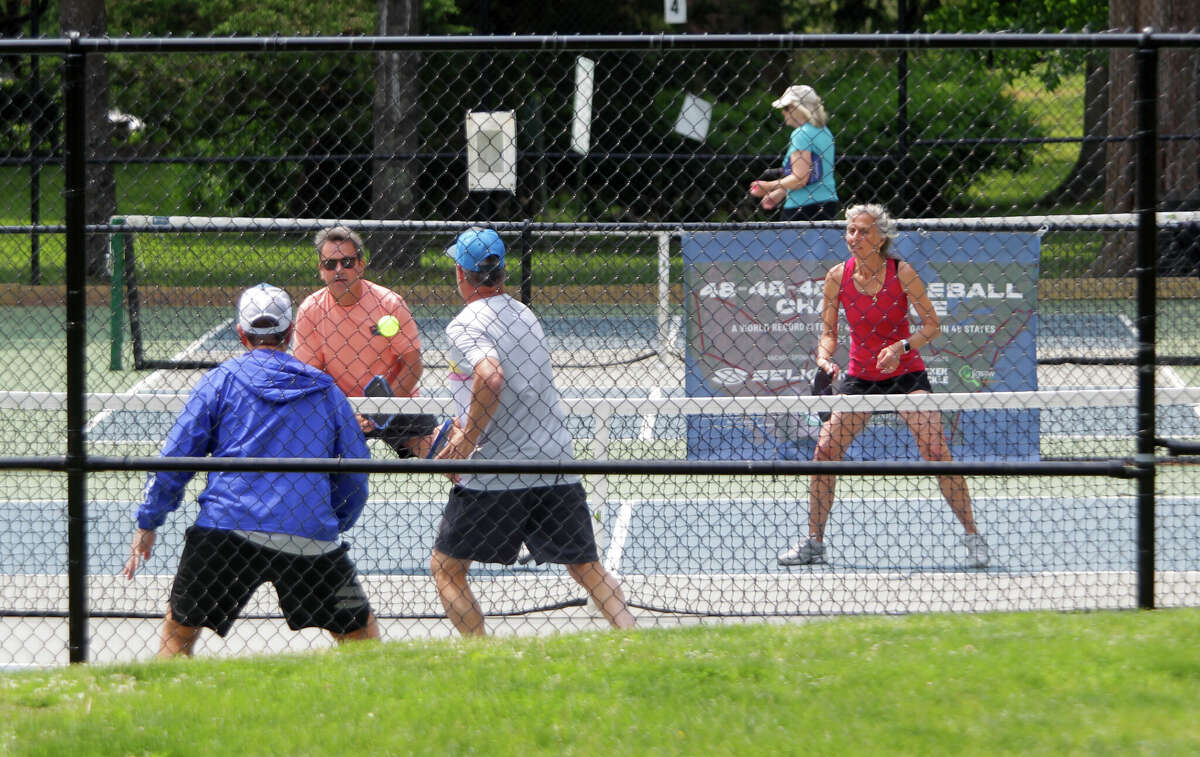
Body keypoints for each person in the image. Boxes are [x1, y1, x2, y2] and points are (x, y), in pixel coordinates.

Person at [123, 283, 379, 657]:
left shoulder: (220, 381)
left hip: (225, 532)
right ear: (290, 333)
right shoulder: (325, 390)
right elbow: (356, 473)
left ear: (241, 333)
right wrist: (331, 522)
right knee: (362, 640)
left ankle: (165, 705)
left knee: (177, 637)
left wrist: (148, 521)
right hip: (309, 537)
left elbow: (174, 458)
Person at [429, 227, 636, 636]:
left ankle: (479, 661)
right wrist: (464, 425)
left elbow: (490, 378)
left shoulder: (464, 325)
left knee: (447, 568)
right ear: (502, 272)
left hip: (496, 472)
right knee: (586, 568)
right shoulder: (526, 314)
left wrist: (467, 439)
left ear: (460, 273)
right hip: (553, 461)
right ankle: (633, 637)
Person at [777, 205, 990, 569]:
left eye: (862, 232)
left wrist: (900, 347)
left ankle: (973, 536)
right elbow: (828, 334)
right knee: (824, 453)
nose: (854, 238)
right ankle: (814, 542)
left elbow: (932, 325)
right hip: (860, 378)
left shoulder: (902, 273)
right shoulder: (836, 276)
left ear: (881, 238)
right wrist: (824, 360)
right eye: (850, 231)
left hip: (906, 375)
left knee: (936, 451)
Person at [292, 225, 437, 458]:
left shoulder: (390, 304)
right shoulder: (310, 311)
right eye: (330, 264)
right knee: (304, 444)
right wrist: (347, 412)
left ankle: (466, 489)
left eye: (347, 262)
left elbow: (412, 365)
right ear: (321, 270)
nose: (339, 269)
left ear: (360, 264)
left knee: (436, 448)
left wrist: (382, 408)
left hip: (396, 401)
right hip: (341, 405)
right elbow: (312, 378)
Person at [748, 84, 839, 221]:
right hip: (827, 203)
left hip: (802, 208)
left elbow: (800, 178)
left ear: (798, 108)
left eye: (786, 107)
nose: (783, 112)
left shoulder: (801, 134)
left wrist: (768, 186)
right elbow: (813, 174)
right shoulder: (824, 131)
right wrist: (781, 192)